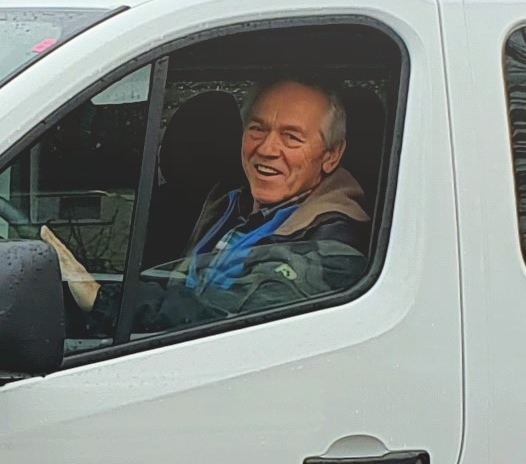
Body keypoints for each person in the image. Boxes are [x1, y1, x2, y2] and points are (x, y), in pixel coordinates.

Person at [129, 77, 375, 328]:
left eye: (291, 137)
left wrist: (102, 299)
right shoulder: (228, 203)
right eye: (257, 129)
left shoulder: (333, 246)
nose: (267, 149)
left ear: (331, 155)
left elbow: (227, 333)